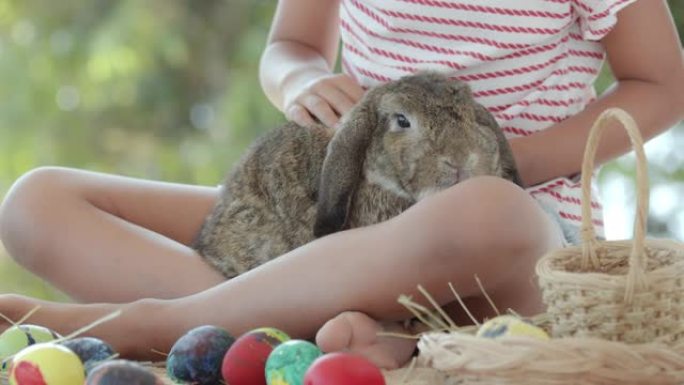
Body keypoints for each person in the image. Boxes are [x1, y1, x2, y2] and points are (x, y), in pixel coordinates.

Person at [0, 0, 683, 370]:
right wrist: (301, 81)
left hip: (507, 237)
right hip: (340, 217)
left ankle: (161, 322)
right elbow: (290, 46)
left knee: (482, 210)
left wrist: (506, 161)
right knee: (37, 203)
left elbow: (664, 82)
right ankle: (349, 329)